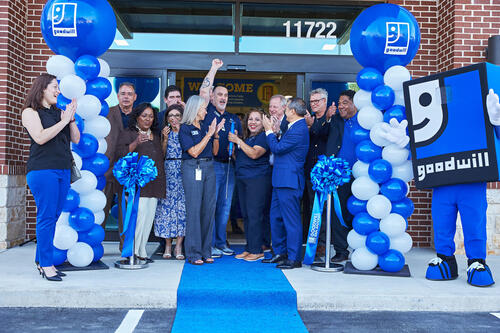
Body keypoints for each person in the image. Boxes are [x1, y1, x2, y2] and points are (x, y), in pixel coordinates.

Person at [22, 73, 80, 281]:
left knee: (53, 217)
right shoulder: (30, 112)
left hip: (63, 169)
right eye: (55, 87)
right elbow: (40, 137)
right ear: (42, 89)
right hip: (42, 170)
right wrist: (63, 121)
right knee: (46, 217)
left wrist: (70, 118)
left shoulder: (59, 113)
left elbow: (75, 138)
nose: (58, 91)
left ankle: (41, 261)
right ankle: (47, 264)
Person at [199, 59, 243, 257]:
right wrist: (214, 68)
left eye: (226, 95)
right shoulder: (207, 113)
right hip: (211, 166)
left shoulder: (233, 118)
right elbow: (203, 90)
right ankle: (207, 244)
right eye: (219, 94)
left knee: (225, 208)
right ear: (212, 96)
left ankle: (220, 242)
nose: (223, 98)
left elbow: (240, 143)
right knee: (211, 205)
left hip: (229, 167)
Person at [262, 98, 309, 269]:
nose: (284, 110)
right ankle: (280, 253)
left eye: (287, 108)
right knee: (276, 218)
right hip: (280, 180)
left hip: (289, 181)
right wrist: (275, 132)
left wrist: (268, 131)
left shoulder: (300, 128)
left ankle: (294, 257)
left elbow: (278, 149)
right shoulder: (292, 127)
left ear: (293, 112)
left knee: (291, 220)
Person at [116, 103, 166, 262]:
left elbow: (160, 157)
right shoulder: (128, 133)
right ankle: (132, 251)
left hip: (155, 184)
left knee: (149, 218)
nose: (148, 119)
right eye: (144, 115)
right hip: (138, 185)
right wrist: (136, 142)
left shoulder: (156, 136)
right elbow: (121, 155)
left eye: (151, 116)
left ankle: (142, 250)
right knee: (138, 217)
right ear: (136, 117)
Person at [179, 95, 225, 265]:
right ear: (195, 109)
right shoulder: (185, 128)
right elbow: (194, 152)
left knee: (208, 210)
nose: (206, 111)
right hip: (192, 167)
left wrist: (216, 135)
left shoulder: (206, 126)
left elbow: (214, 151)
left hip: (209, 167)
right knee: (194, 210)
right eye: (204, 108)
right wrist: (209, 135)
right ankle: (193, 253)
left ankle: (206, 251)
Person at [229, 108, 272, 262]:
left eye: (257, 120)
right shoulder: (248, 138)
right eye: (250, 119)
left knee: (254, 215)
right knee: (246, 215)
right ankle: (249, 247)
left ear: (263, 123)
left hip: (257, 180)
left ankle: (257, 250)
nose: (253, 123)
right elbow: (243, 157)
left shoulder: (263, 137)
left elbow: (254, 154)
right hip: (243, 179)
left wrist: (238, 140)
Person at [103, 82, 137, 251]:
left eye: (129, 94)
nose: (126, 96)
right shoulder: (107, 113)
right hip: (107, 168)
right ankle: (95, 247)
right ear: (117, 96)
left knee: (127, 213)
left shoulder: (139, 116)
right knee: (102, 209)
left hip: (129, 171)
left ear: (135, 97)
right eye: (123, 93)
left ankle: (126, 250)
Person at [325, 90, 357, 263]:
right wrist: (327, 118)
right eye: (339, 103)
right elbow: (319, 133)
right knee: (338, 212)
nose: (340, 106)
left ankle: (361, 248)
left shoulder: (365, 120)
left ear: (354, 103)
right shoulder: (335, 119)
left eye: (345, 102)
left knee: (359, 211)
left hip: (362, 176)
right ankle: (341, 250)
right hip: (339, 174)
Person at [303, 88, 334, 257]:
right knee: (310, 208)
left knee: (324, 209)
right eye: (312, 101)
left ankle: (323, 243)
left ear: (325, 101)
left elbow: (323, 133)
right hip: (309, 171)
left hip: (325, 174)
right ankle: (311, 241)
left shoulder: (331, 120)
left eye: (317, 101)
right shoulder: (309, 120)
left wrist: (314, 123)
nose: (313, 104)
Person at [153, 104, 186, 260]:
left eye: (177, 115)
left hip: (184, 171)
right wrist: (165, 139)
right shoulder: (164, 134)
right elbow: (162, 154)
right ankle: (167, 244)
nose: (174, 118)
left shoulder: (186, 132)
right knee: (166, 209)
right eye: (170, 116)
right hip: (168, 171)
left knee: (182, 209)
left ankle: (178, 245)